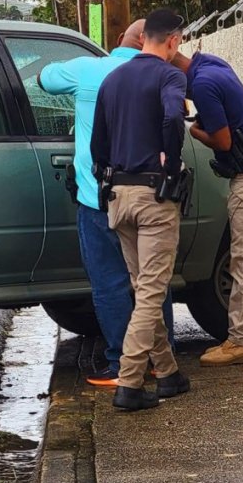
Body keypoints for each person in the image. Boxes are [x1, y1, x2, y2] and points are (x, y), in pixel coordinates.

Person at [38, 20, 176, 388]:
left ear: (119, 42)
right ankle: (161, 362)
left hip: (99, 197)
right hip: (150, 194)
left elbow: (44, 79)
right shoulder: (163, 75)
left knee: (110, 284)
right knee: (151, 283)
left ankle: (120, 363)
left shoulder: (90, 70)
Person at [90, 8, 192, 411]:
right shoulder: (171, 76)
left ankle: (167, 373)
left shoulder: (112, 79)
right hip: (154, 197)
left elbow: (98, 143)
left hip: (118, 197)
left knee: (144, 285)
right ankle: (130, 382)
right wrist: (170, 156)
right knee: (152, 290)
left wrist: (106, 172)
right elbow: (173, 115)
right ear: (173, 40)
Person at [173, 50, 243, 366]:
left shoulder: (204, 84)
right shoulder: (210, 64)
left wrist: (194, 129)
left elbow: (221, 141)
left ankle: (242, 341)